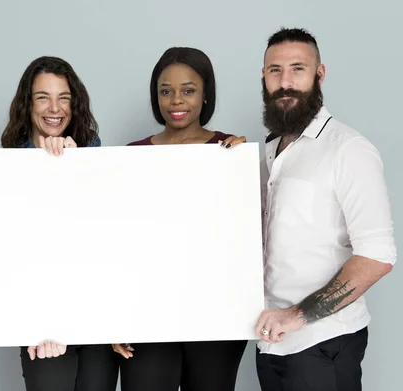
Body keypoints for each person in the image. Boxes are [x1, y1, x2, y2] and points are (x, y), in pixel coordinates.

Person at [254, 28, 397, 391]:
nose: (285, 82)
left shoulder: (348, 149)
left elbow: (378, 256)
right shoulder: (269, 152)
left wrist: (297, 315)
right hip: (271, 342)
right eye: (275, 70)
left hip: (324, 342)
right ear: (263, 76)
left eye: (297, 69)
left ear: (319, 74)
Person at [112, 47, 248, 391]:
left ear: (205, 96)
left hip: (216, 311)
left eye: (188, 90)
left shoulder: (230, 152)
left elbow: (242, 235)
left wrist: (242, 169)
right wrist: (114, 315)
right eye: (165, 91)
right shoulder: (133, 156)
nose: (176, 100)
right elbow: (119, 243)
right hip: (149, 310)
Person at [0, 56, 119, 391]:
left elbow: (105, 240)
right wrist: (40, 322)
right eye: (43, 97)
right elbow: (13, 254)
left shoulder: (94, 155)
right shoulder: (6, 168)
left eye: (63, 97)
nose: (54, 108)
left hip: (96, 318)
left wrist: (73, 168)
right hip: (43, 327)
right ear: (27, 104)